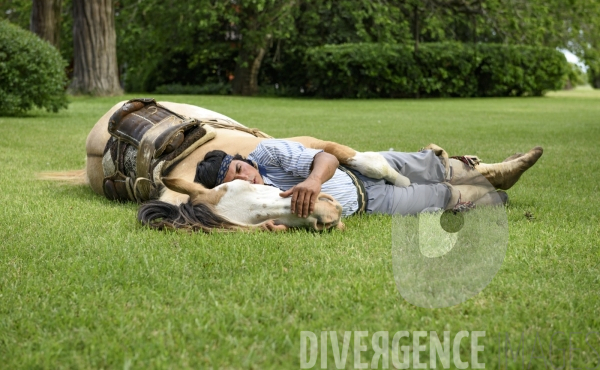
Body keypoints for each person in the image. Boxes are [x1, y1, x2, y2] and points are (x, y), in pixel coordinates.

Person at [194, 139, 542, 230]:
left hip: (363, 169)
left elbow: (326, 158)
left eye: (239, 168)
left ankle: (498, 171)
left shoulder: (268, 153)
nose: (245, 178)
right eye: (235, 181)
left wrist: (313, 181)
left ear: (244, 159)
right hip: (369, 203)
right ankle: (491, 193)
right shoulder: (252, 200)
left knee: (431, 166)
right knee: (438, 197)